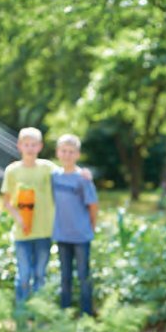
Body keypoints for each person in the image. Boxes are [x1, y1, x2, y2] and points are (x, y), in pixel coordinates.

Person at [1, 127, 56, 307]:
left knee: (40, 274)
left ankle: (39, 312)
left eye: (34, 145)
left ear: (40, 146)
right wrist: (19, 218)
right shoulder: (12, 170)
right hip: (22, 233)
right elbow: (7, 202)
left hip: (44, 231)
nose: (30, 148)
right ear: (19, 146)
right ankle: (22, 313)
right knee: (24, 275)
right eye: (26, 144)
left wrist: (84, 174)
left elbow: (68, 175)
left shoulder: (48, 168)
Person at [52, 134, 98, 316]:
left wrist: (91, 228)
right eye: (63, 151)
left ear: (77, 154)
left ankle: (86, 313)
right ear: (57, 152)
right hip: (62, 235)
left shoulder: (83, 179)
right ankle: (65, 312)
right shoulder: (54, 176)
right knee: (65, 276)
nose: (67, 155)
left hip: (81, 236)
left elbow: (93, 206)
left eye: (71, 152)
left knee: (83, 275)